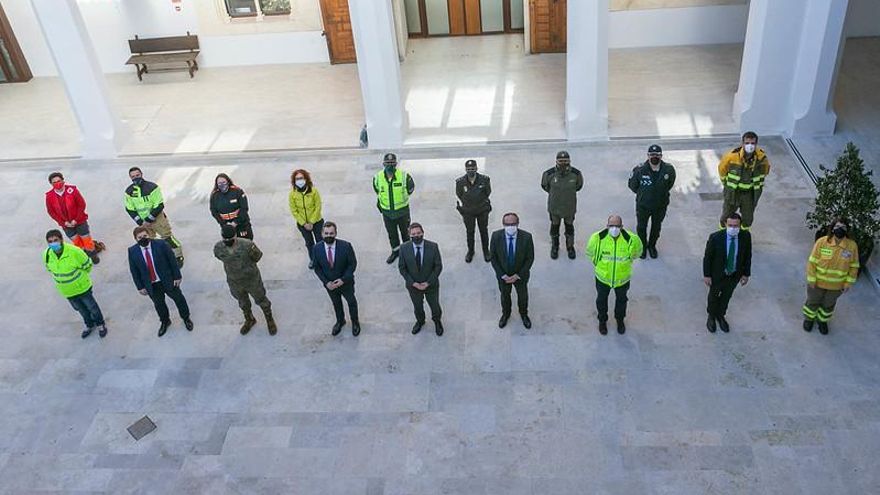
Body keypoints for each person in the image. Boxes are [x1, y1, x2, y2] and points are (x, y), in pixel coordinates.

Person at [128, 226, 193, 337]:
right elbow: (134, 270)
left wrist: (177, 276)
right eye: (140, 237)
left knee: (179, 299)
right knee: (159, 305)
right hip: (151, 284)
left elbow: (172, 260)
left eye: (145, 236)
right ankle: (165, 321)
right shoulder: (132, 251)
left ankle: (186, 318)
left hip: (167, 280)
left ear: (149, 235)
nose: (143, 238)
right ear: (135, 239)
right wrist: (140, 287)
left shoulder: (161, 244)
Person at [43, 229, 107, 339]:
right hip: (67, 291)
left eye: (55, 240)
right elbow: (49, 268)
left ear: (61, 240)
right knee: (81, 310)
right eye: (50, 241)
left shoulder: (74, 252)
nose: (53, 243)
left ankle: (100, 324)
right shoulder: (47, 254)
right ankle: (89, 325)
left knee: (92, 307)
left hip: (82, 288)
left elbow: (87, 265)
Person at [214, 225, 277, 336]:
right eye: (226, 239)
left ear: (235, 235)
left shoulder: (247, 245)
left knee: (261, 299)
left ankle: (269, 319)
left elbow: (257, 256)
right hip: (234, 281)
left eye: (230, 238)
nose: (228, 241)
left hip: (251, 279)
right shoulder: (218, 247)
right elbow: (218, 256)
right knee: (243, 302)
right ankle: (249, 319)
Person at [586, 215, 643, 335]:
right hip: (602, 279)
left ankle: (620, 320)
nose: (614, 228)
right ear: (607, 226)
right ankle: (602, 321)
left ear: (622, 227)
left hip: (622, 280)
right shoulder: (597, 238)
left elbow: (638, 252)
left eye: (617, 226)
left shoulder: (632, 239)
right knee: (601, 301)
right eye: (611, 226)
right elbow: (590, 253)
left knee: (622, 301)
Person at [802, 218, 859, 335]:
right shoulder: (822, 242)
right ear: (832, 229)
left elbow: (854, 266)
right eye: (837, 226)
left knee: (828, 305)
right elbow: (812, 262)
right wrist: (811, 279)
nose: (840, 229)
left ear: (847, 230)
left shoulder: (852, 246)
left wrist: (848, 283)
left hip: (836, 286)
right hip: (817, 283)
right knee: (812, 302)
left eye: (843, 227)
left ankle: (822, 321)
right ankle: (809, 319)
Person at [124, 167, 184, 267]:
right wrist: (140, 222)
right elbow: (129, 208)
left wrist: (149, 219)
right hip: (143, 222)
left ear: (141, 174)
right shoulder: (129, 191)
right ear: (130, 177)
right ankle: (157, 258)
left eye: (137, 175)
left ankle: (178, 256)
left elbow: (159, 205)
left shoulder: (152, 187)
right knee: (150, 241)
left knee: (168, 238)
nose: (136, 178)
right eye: (133, 176)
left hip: (157, 218)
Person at [703, 213, 752, 333]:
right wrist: (707, 275)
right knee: (713, 296)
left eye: (736, 226)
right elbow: (708, 257)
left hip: (734, 275)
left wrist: (746, 274)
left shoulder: (745, 236)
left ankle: (720, 315)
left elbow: (747, 256)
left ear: (740, 225)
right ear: (725, 224)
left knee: (726, 296)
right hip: (718, 274)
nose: (733, 228)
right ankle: (711, 316)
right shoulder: (716, 237)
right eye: (730, 225)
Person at [628, 144, 676, 259]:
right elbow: (633, 185)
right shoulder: (639, 170)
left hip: (660, 206)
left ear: (661, 156)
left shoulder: (668, 169)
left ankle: (652, 246)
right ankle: (643, 247)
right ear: (648, 155)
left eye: (657, 155)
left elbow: (670, 184)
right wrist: (644, 194)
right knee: (641, 227)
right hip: (643, 205)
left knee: (656, 227)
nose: (655, 157)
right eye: (652, 154)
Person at [312, 222, 360, 336]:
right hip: (330, 285)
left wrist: (343, 279)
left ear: (336, 233)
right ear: (322, 234)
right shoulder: (317, 248)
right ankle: (340, 321)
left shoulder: (346, 246)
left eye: (331, 233)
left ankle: (355, 322)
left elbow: (352, 264)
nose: (329, 236)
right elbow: (317, 268)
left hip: (346, 283)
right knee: (336, 303)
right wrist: (326, 282)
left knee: (351, 302)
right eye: (326, 233)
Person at [44, 172, 103, 264]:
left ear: (63, 180)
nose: (57, 183)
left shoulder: (72, 190)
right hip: (66, 225)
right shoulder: (49, 196)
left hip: (80, 221)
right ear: (51, 184)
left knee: (86, 240)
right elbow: (51, 212)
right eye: (54, 182)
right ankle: (83, 257)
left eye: (59, 181)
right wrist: (64, 223)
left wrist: (76, 219)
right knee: (77, 242)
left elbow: (81, 205)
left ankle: (92, 255)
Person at [489, 212, 534, 329]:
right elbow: (493, 257)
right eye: (507, 224)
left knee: (523, 296)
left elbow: (530, 258)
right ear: (503, 224)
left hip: (520, 275)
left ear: (518, 224)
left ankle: (524, 314)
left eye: (513, 224)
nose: (510, 227)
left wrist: (518, 275)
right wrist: (502, 274)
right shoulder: (496, 236)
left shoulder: (526, 237)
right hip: (503, 275)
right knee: (505, 296)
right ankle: (506, 314)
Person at [398, 223, 444, 336]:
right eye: (413, 234)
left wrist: (428, 282)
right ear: (410, 235)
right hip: (413, 286)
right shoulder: (404, 248)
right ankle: (420, 321)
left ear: (423, 233)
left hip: (431, 285)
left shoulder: (433, 247)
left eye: (418, 233)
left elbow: (438, 266)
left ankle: (437, 321)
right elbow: (402, 268)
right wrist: (413, 283)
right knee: (417, 306)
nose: (416, 236)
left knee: (435, 305)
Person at [718, 131, 771, 230]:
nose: (750, 146)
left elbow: (765, 171)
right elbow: (722, 170)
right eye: (747, 143)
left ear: (756, 144)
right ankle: (722, 234)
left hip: (749, 194)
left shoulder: (761, 158)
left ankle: (744, 235)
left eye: (752, 143)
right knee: (726, 216)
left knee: (748, 218)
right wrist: (727, 185)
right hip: (733, 192)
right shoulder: (731, 157)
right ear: (742, 143)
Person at [541, 151, 584, 259]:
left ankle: (570, 247)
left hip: (569, 207)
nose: (563, 163)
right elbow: (545, 186)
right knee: (554, 227)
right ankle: (555, 246)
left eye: (565, 161)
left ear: (569, 161)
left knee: (569, 227)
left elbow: (579, 186)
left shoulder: (576, 174)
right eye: (560, 161)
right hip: (555, 207)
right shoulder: (549, 174)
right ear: (556, 161)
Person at [373, 153, 415, 264]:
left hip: (402, 213)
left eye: (392, 163)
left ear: (396, 164)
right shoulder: (377, 177)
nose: (390, 165)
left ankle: (407, 253)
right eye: (387, 163)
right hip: (387, 214)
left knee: (406, 234)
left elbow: (410, 189)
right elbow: (377, 190)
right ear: (383, 164)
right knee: (392, 235)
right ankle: (395, 252)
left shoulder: (404, 176)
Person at [455, 159, 492, 263]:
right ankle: (470, 251)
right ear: (465, 169)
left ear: (476, 168)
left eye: (472, 168)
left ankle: (486, 251)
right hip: (468, 211)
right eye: (468, 169)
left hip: (482, 210)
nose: (470, 170)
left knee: (483, 231)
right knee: (470, 232)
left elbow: (488, 192)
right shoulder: (460, 182)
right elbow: (459, 194)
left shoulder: (484, 180)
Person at [288, 168, 324, 269]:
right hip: (303, 224)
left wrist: (312, 222)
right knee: (309, 243)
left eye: (301, 178)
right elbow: (294, 210)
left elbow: (318, 207)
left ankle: (323, 259)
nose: (299, 181)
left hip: (316, 221)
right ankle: (313, 260)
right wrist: (304, 223)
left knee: (320, 241)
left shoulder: (314, 191)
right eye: (297, 179)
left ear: (306, 179)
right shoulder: (292, 194)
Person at [210, 173, 252, 239]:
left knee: (245, 243)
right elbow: (214, 211)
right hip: (226, 227)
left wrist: (235, 223)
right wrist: (223, 224)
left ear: (228, 181)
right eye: (219, 183)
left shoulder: (237, 191)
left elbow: (244, 208)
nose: (222, 185)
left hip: (241, 224)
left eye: (224, 182)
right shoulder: (214, 196)